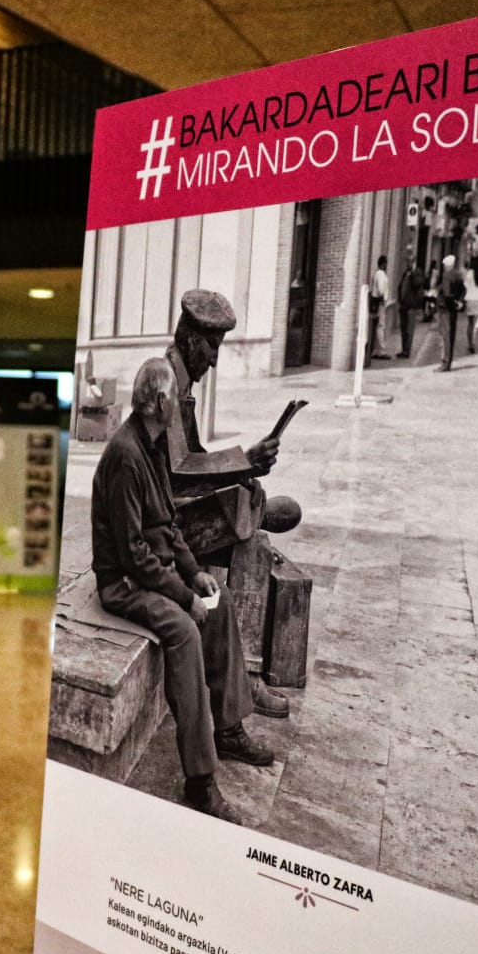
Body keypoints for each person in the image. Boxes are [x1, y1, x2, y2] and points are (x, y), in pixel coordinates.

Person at [93, 358, 273, 823]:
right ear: (158, 402)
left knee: (221, 600)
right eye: (174, 396)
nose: (179, 403)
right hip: (124, 583)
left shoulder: (151, 445)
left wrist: (194, 573)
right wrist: (184, 597)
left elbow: (167, 523)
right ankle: (199, 779)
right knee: (185, 631)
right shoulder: (125, 456)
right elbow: (132, 555)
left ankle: (227, 729)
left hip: (149, 572)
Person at [161, 290, 296, 721]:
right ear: (191, 338)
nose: (215, 361)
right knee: (254, 545)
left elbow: (192, 454)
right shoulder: (165, 382)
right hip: (163, 524)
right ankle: (248, 677)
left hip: (174, 509)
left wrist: (243, 471)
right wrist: (242, 462)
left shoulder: (181, 379)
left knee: (253, 517)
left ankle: (256, 511)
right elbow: (179, 468)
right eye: (212, 347)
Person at [435, 254, 466, 372]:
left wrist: (451, 303)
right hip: (453, 310)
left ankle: (445, 363)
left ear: (447, 265)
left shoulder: (446, 276)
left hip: (445, 309)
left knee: (445, 336)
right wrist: (459, 302)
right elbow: (464, 290)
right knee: (451, 335)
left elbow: (447, 294)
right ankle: (448, 362)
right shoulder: (458, 275)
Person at [395, 258, 426, 358]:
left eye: (409, 262)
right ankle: (404, 349)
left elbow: (417, 284)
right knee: (403, 329)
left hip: (411, 306)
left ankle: (407, 351)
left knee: (409, 329)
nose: (407, 263)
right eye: (407, 261)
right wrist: (399, 298)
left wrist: (412, 274)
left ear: (413, 262)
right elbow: (401, 286)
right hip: (403, 305)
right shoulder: (405, 273)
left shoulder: (417, 273)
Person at [366, 255, 390, 363]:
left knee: (377, 327)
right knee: (381, 326)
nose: (387, 266)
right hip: (380, 303)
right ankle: (382, 351)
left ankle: (375, 350)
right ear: (383, 264)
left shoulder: (377, 273)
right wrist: (383, 299)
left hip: (377, 303)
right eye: (386, 263)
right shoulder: (380, 274)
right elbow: (381, 289)